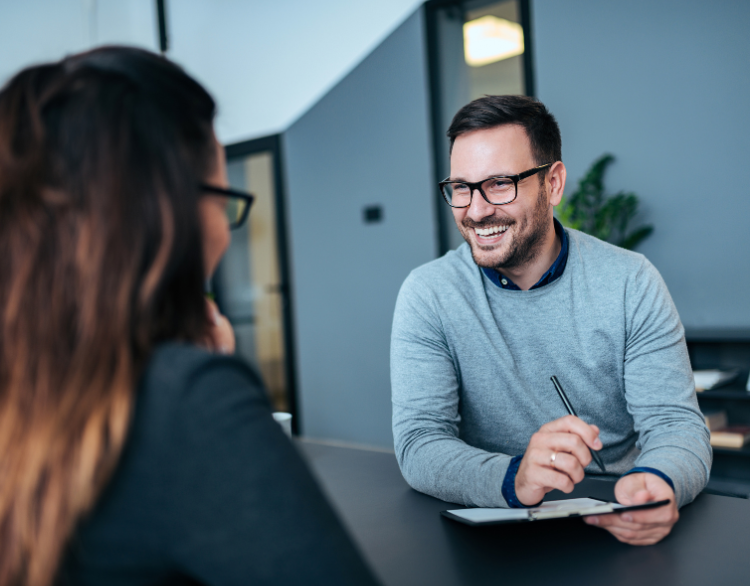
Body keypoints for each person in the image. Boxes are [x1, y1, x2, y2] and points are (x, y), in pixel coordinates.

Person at [0, 47, 380, 586]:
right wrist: (202, 383)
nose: (226, 231)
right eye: (223, 199)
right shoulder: (189, 406)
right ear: (167, 212)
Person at [391, 95, 711, 546]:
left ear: (554, 183)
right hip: (492, 534)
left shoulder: (630, 281)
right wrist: (515, 477)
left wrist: (658, 481)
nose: (477, 210)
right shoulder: (429, 294)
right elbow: (420, 443)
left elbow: (676, 425)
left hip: (615, 522)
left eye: (500, 183)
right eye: (461, 187)